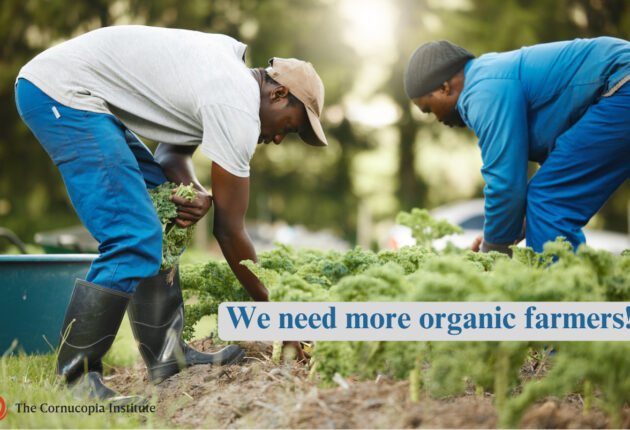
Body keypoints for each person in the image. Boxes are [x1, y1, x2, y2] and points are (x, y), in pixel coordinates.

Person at [15, 25, 327, 403]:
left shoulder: (224, 75)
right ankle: (75, 381)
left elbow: (171, 156)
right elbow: (229, 231)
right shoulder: (237, 106)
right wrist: (279, 316)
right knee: (133, 235)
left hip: (73, 91)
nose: (277, 139)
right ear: (279, 93)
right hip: (63, 92)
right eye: (289, 126)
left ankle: (168, 358)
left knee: (159, 217)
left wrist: (191, 188)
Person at [403, 38, 630, 256]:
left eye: (428, 109)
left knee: (548, 199)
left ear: (444, 88)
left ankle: (558, 294)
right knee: (546, 199)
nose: (436, 118)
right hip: (618, 87)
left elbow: (506, 184)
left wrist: (492, 253)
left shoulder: (482, 91)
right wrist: (512, 230)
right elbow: (552, 171)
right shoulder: (488, 76)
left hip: (621, 84)